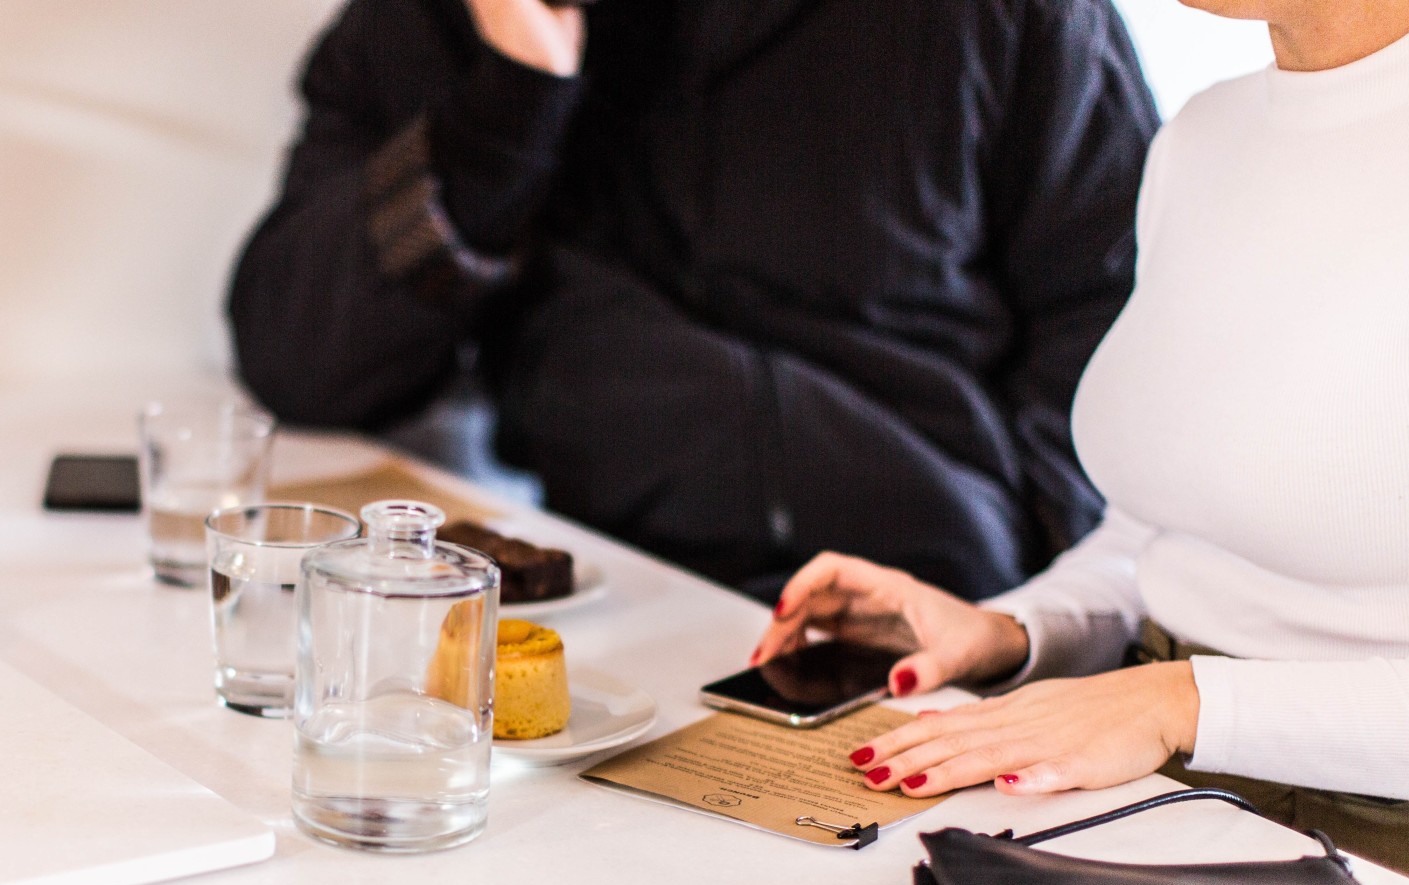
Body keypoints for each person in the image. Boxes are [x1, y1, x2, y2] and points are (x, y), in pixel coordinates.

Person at [754, 0, 1409, 884]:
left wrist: (1183, 701)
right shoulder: (1204, 136)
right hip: (1151, 792)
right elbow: (1166, 529)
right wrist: (1017, 628)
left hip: (1396, 857)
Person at [227, 0, 1159, 602]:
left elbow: (1125, 316)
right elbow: (299, 360)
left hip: (939, 607)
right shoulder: (439, 27)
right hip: (606, 603)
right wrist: (506, 114)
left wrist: (1031, 600)